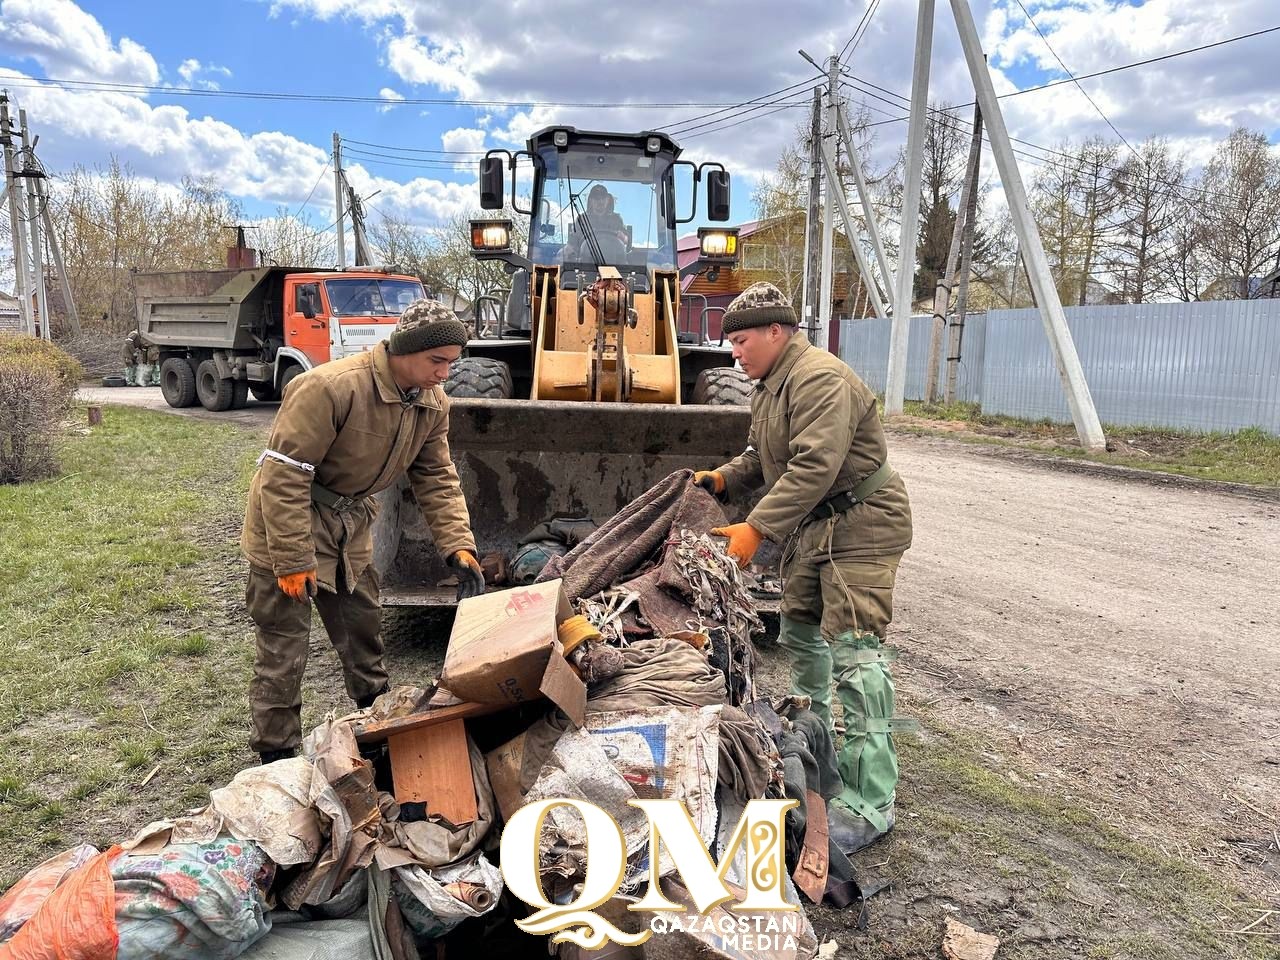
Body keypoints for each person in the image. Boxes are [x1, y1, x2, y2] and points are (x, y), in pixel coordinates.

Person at [694, 282, 913, 852]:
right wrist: (723, 478)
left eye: (741, 341)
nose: (735, 354)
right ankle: (817, 761)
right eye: (731, 344)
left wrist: (757, 528)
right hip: (819, 526)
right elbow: (760, 455)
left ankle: (870, 800)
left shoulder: (819, 378)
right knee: (802, 636)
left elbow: (815, 465)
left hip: (862, 521)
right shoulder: (771, 385)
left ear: (777, 331)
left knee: (856, 655)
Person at [240, 298, 486, 765]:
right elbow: (284, 476)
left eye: (452, 364)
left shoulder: (432, 403)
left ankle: (376, 721)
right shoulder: (328, 388)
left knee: (363, 629)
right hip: (289, 522)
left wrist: (457, 545)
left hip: (350, 527)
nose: (444, 374)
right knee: (284, 646)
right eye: (437, 361)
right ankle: (275, 753)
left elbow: (435, 476)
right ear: (403, 351)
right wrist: (291, 560)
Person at [568, 184, 629, 261]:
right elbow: (572, 242)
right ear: (590, 201)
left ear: (607, 200)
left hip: (615, 263)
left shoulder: (616, 219)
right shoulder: (582, 219)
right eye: (596, 198)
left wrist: (623, 237)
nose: (600, 201)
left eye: (603, 198)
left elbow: (626, 240)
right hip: (585, 264)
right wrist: (566, 252)